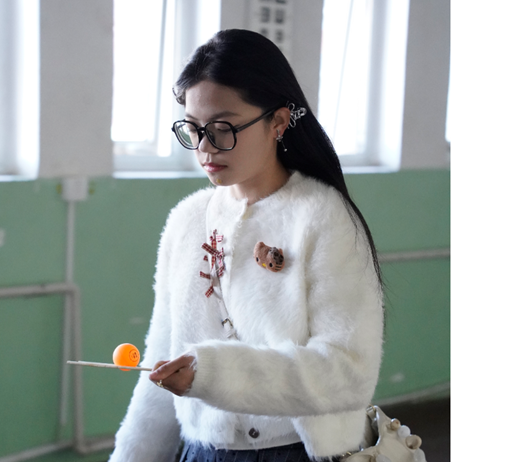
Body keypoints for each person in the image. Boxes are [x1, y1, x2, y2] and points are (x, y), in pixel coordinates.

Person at [109, 29, 384, 462]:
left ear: (278, 121)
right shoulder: (187, 220)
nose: (204, 148)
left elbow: (348, 371)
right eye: (193, 129)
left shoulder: (323, 216)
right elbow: (160, 366)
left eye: (222, 128)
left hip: (297, 453)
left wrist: (214, 373)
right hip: (201, 452)